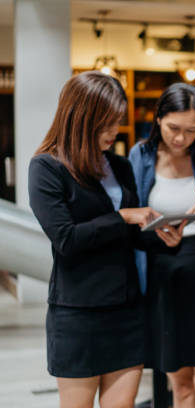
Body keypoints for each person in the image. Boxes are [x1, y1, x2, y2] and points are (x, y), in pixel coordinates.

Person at [28, 71, 184, 408]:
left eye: (117, 122)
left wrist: (161, 236)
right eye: (106, 123)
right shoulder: (46, 168)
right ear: (81, 119)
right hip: (77, 315)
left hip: (126, 311)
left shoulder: (119, 165)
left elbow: (127, 237)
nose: (114, 132)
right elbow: (66, 239)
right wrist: (124, 216)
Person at [128, 83, 195, 407]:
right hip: (161, 275)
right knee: (179, 384)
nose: (180, 138)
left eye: (191, 130)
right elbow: (130, 214)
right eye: (173, 128)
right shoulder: (141, 155)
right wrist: (152, 231)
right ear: (158, 118)